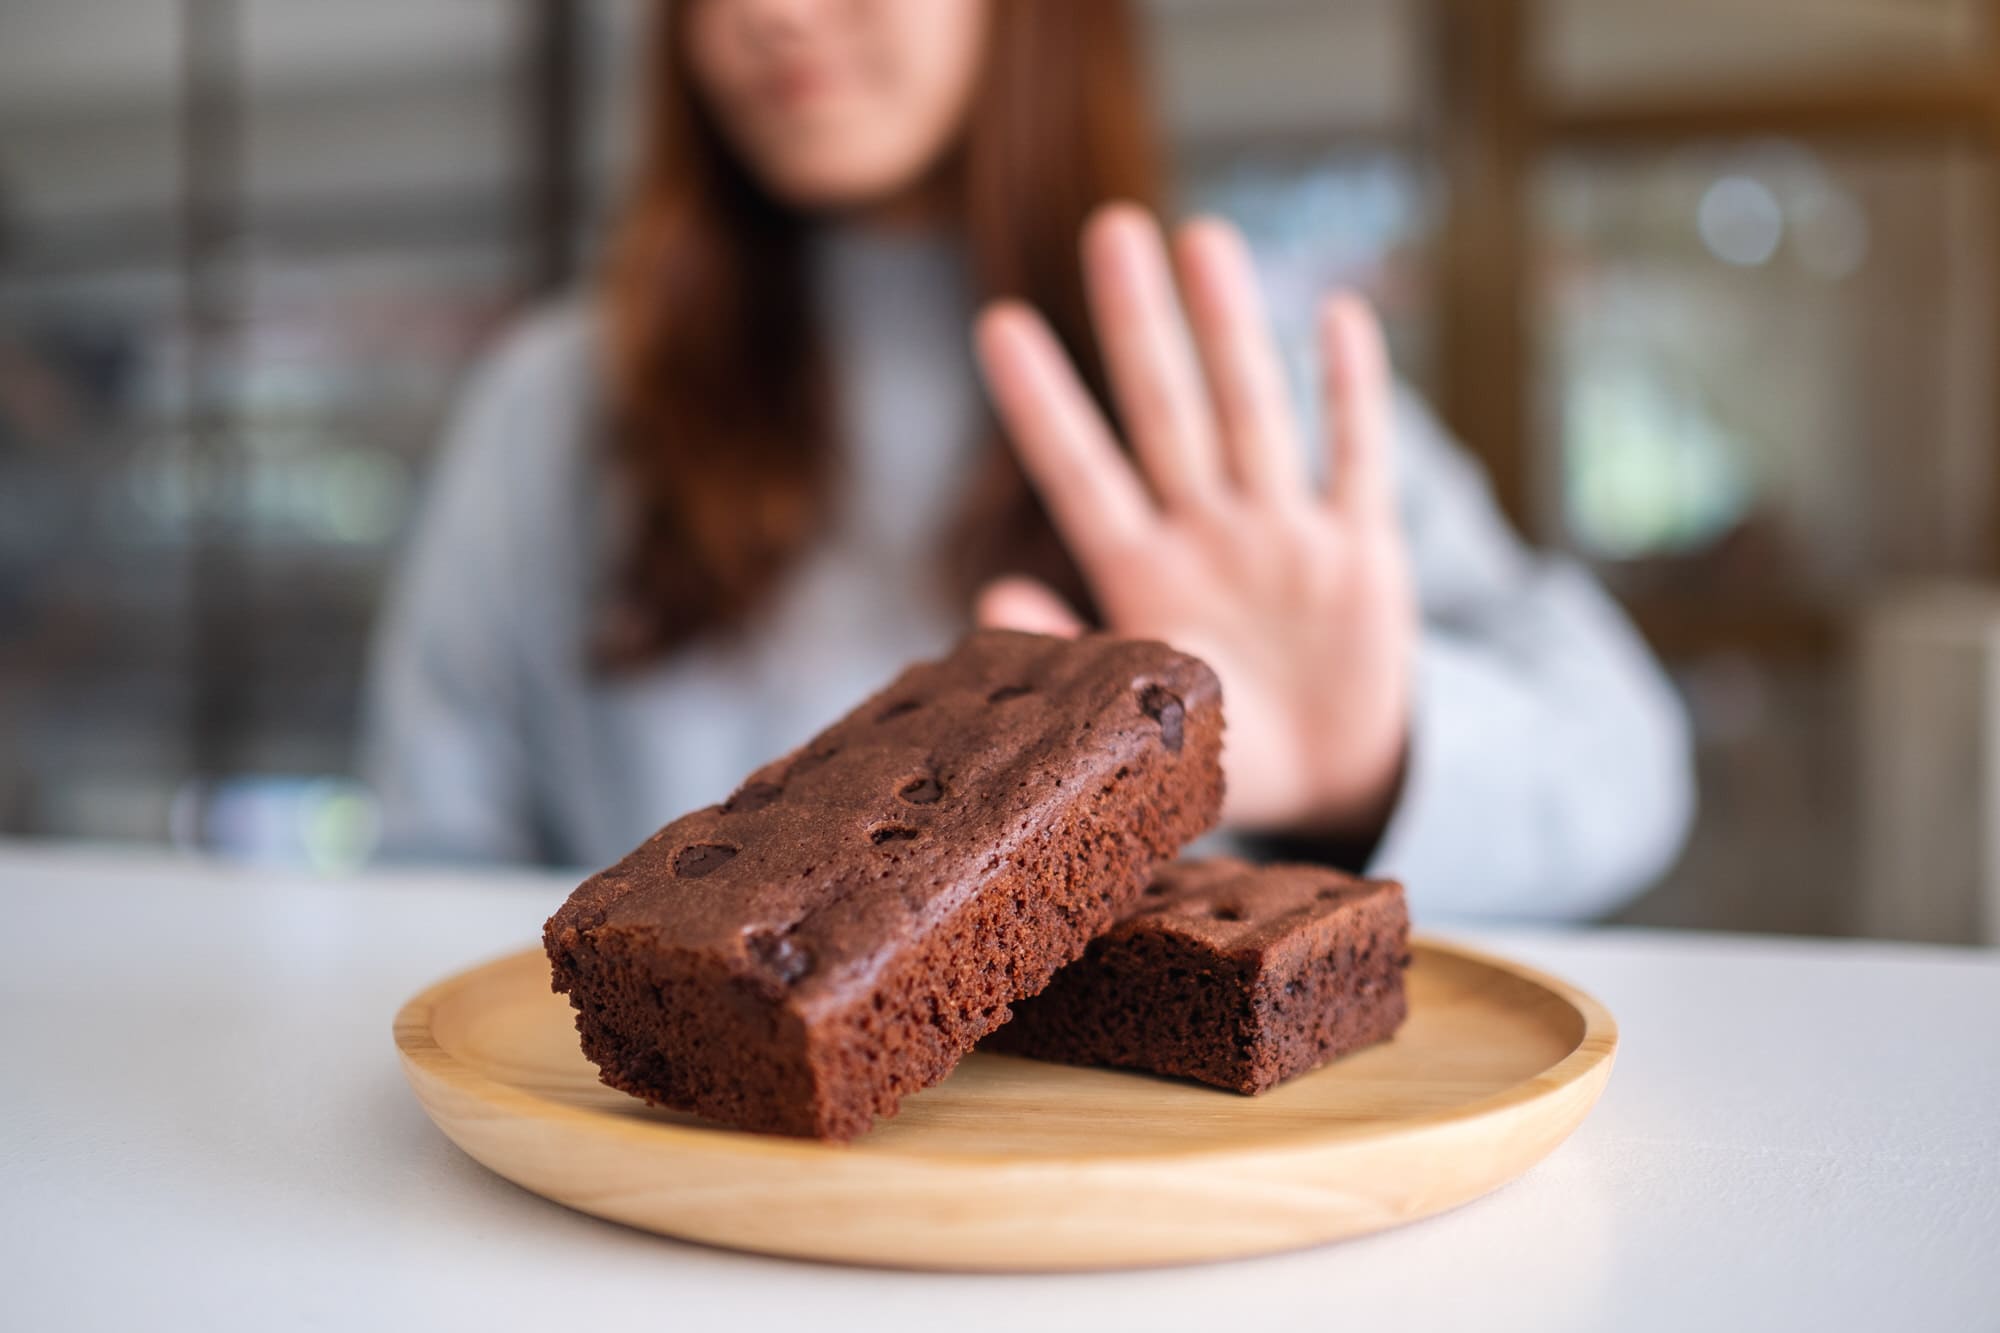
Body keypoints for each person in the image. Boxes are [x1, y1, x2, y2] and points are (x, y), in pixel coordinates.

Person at [362, 0, 1693, 921]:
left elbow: (1624, 765)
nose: (767, 11)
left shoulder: (1224, 382)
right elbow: (430, 855)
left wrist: (1366, 761)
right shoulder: (559, 404)